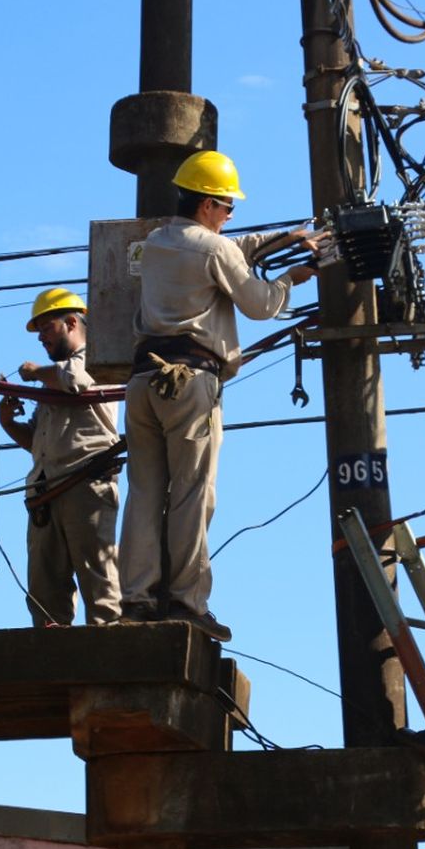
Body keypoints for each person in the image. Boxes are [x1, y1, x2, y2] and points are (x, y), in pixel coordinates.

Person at [118, 150, 317, 642]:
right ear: (208, 204)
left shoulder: (157, 243)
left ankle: (137, 599)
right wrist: (292, 277)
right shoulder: (215, 251)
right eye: (227, 208)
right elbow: (261, 304)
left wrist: (284, 237)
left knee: (144, 494)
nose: (231, 217)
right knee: (192, 493)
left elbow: (225, 248)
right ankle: (186, 601)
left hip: (143, 382)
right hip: (190, 382)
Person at [0, 288, 123, 627]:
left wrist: (35, 372)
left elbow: (76, 381)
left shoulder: (97, 358)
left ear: (71, 322)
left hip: (86, 484)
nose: (40, 338)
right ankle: (54, 667)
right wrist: (8, 421)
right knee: (45, 596)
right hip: (46, 491)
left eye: (46, 328)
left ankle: (109, 664)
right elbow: (37, 441)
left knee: (100, 589)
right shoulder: (50, 379)